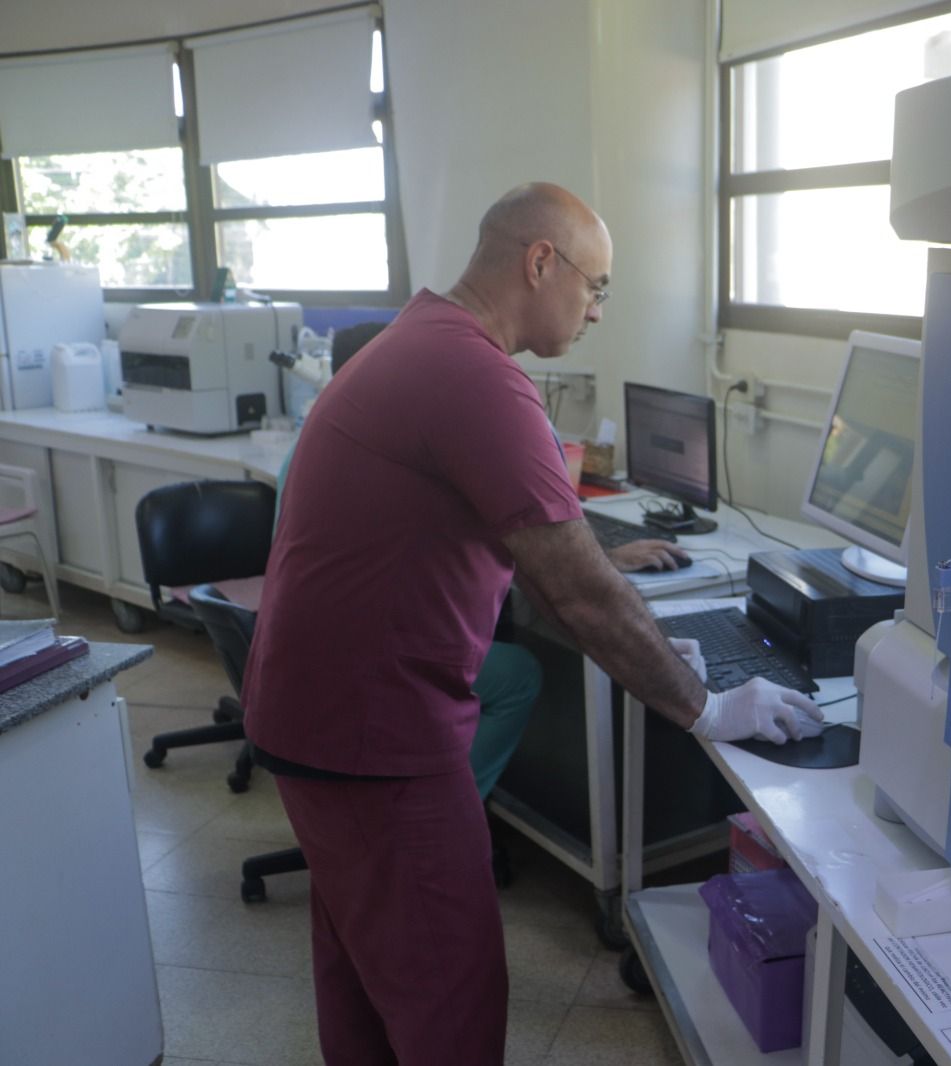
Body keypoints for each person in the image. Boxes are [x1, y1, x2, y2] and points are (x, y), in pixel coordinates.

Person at [241, 182, 823, 1065]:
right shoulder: (475, 375)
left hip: (317, 715)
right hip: (374, 737)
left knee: (364, 973)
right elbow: (579, 592)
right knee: (450, 997)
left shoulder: (426, 338)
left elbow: (550, 573)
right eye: (596, 287)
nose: (597, 312)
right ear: (541, 262)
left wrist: (651, 644)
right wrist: (707, 707)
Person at [271, 320, 687, 802]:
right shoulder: (380, 443)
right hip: (365, 662)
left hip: (311, 652)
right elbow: (532, 557)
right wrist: (600, 559)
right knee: (518, 675)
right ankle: (450, 804)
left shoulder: (323, 439)